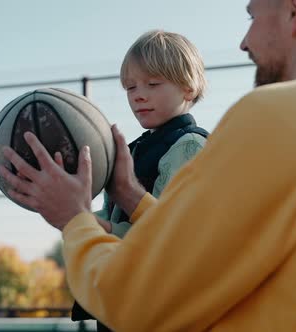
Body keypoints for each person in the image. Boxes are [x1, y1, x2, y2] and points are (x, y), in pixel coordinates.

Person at [0, 0, 296, 331]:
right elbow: (218, 251)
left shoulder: (279, 115)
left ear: (295, 11)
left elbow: (137, 298)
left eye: (253, 15)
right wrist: (134, 199)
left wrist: (74, 218)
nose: (243, 41)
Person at [70, 29, 209, 331]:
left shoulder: (189, 147)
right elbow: (113, 212)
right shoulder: (132, 148)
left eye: (153, 84)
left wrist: (102, 228)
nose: (139, 95)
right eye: (130, 88)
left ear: (188, 87)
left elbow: (170, 233)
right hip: (126, 296)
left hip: (162, 306)